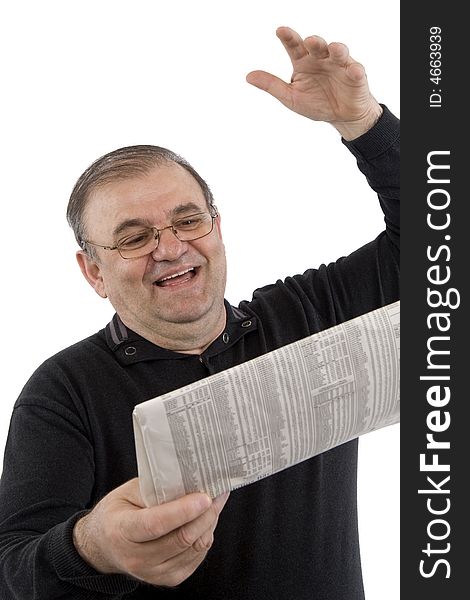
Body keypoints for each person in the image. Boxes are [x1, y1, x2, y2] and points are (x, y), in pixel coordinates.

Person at [0, 26, 399, 599]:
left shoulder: (307, 315)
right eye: (135, 237)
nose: (170, 247)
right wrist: (95, 546)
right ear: (94, 273)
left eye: (188, 221)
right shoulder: (63, 390)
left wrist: (365, 125)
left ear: (216, 227)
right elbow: (13, 569)